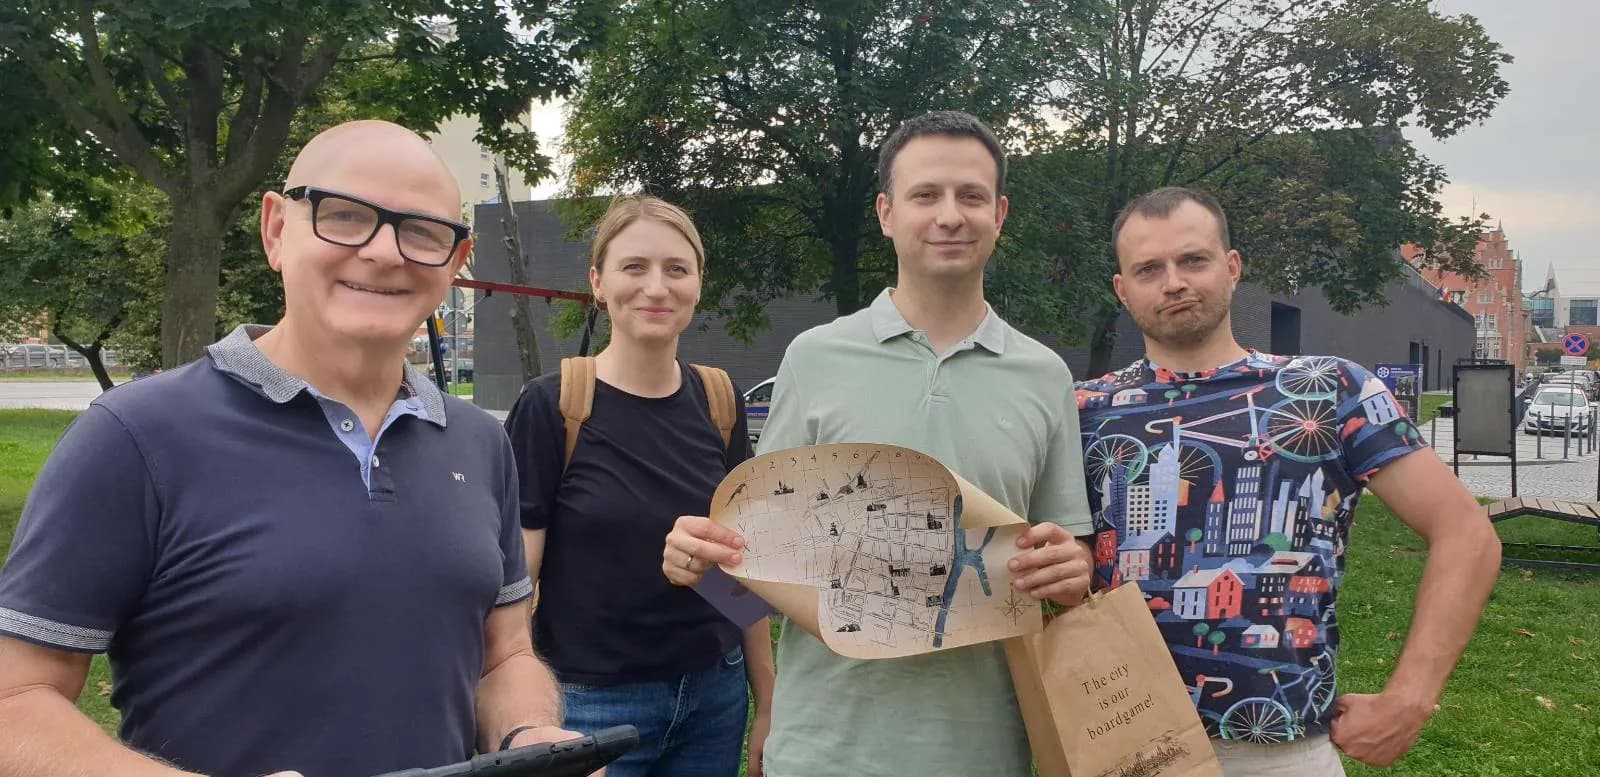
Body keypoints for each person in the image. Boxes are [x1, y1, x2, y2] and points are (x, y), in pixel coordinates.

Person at [0, 121, 583, 777]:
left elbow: (505, 655)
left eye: (422, 231)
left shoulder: (479, 442)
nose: (383, 251)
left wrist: (529, 730)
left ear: (455, 261)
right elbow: (15, 701)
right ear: (276, 229)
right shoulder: (135, 436)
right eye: (345, 215)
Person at [659, 111, 1096, 777]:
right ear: (887, 213)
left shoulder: (1045, 375)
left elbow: (1069, 565)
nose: (949, 215)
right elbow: (758, 574)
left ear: (999, 214)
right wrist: (706, 567)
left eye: (971, 195)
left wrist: (1071, 572)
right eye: (925, 195)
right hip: (822, 753)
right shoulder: (814, 358)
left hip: (985, 754)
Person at [1074, 187, 1501, 775]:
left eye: (1193, 260)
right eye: (1149, 269)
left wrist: (1410, 698)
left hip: (1280, 748)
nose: (1174, 282)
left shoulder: (1332, 390)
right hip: (1125, 739)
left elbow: (1466, 533)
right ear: (1123, 290)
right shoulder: (1083, 409)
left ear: (1232, 267)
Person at [503, 195, 775, 777]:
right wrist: (523, 720)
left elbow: (742, 575)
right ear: (598, 283)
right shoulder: (553, 407)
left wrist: (769, 702)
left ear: (698, 285)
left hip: (715, 696)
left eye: (677, 269)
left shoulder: (720, 402)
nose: (657, 287)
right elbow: (517, 584)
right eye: (634, 267)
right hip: (589, 704)